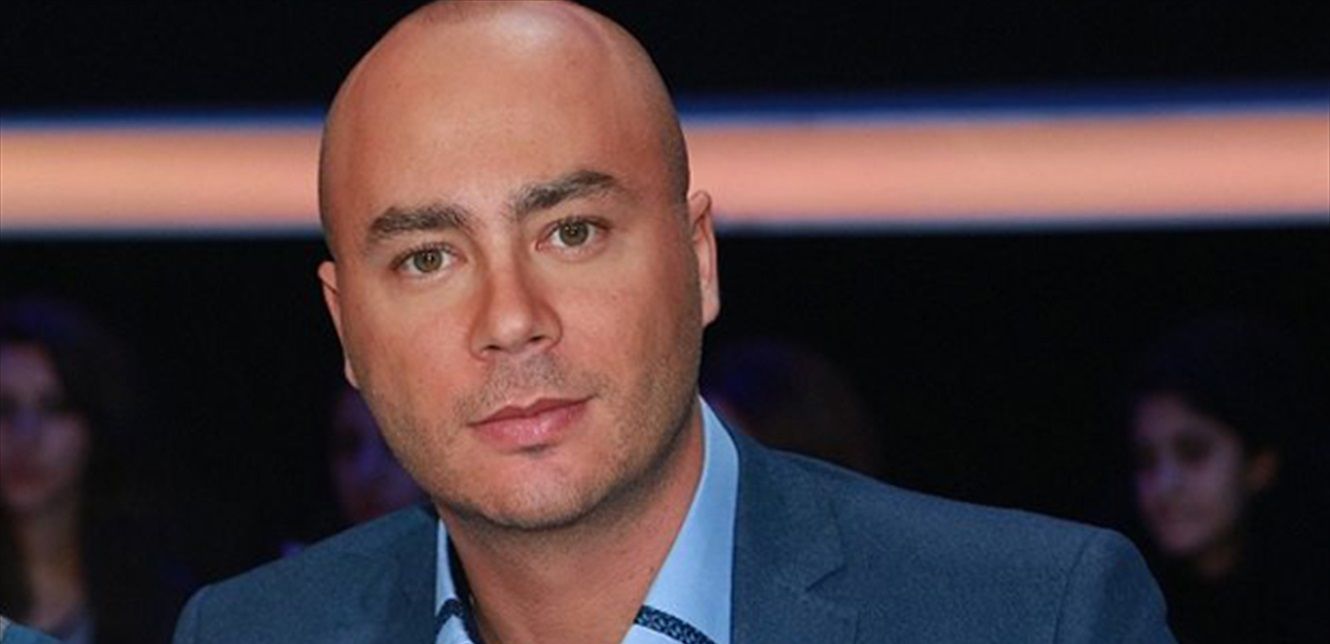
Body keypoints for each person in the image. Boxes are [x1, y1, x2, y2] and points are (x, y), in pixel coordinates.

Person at [173, 2, 1173, 642]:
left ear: (697, 261)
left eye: (571, 232)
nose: (510, 319)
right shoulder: (248, 632)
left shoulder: (1032, 615)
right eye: (428, 258)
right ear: (346, 326)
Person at [1129, 315, 1327, 642]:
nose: (1165, 485)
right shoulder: (1125, 602)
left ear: (1259, 464)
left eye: (1194, 452)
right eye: (1146, 460)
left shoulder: (1310, 600)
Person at [0, 299, 182, 643]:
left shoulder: (162, 602)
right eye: (4, 408)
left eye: (53, 407)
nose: (25, 437)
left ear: (94, 426)